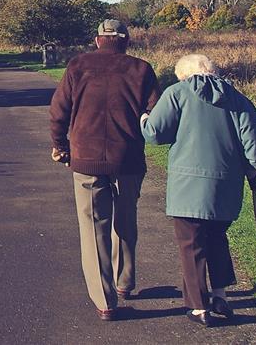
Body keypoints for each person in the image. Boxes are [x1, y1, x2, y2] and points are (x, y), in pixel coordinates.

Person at [141, 54, 256, 327]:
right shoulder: (237, 98)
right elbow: (254, 141)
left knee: (191, 244)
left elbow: (155, 133)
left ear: (184, 75)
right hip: (226, 184)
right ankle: (220, 296)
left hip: (188, 186)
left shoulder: (177, 93)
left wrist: (143, 119)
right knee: (217, 237)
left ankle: (198, 306)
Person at [49, 19, 161, 321]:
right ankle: (124, 281)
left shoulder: (78, 66)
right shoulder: (141, 69)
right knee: (126, 219)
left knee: (93, 227)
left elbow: (58, 111)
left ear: (98, 40)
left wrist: (60, 146)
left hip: (86, 158)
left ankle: (105, 300)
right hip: (128, 159)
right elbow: (155, 113)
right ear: (125, 40)